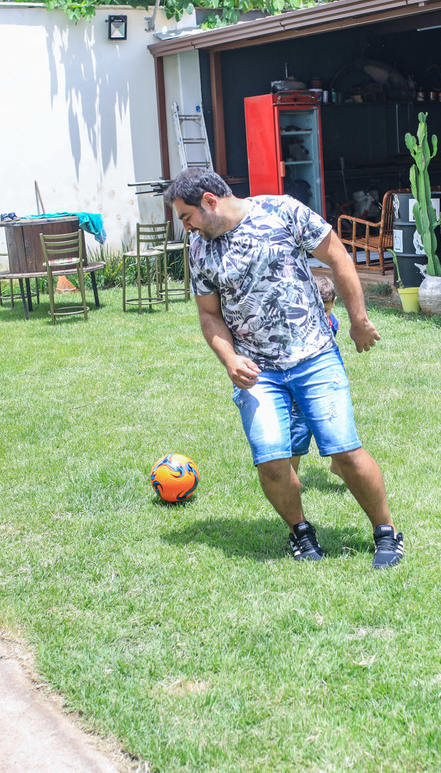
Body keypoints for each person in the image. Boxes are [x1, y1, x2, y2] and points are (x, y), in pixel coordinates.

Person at [165, 168, 404, 569]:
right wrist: (230, 358)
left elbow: (338, 255)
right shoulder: (200, 248)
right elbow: (209, 315)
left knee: (344, 450)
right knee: (272, 461)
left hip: (314, 356)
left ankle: (386, 532)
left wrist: (359, 320)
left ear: (209, 201)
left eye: (186, 216)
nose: (186, 227)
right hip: (258, 372)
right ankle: (301, 533)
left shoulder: (282, 211)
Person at [289, 273, 339, 476]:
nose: (321, 315)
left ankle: (338, 464)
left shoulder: (332, 323)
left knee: (332, 422)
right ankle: (291, 476)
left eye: (325, 310)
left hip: (324, 381)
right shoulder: (297, 324)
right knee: (299, 428)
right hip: (301, 384)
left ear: (334, 303)